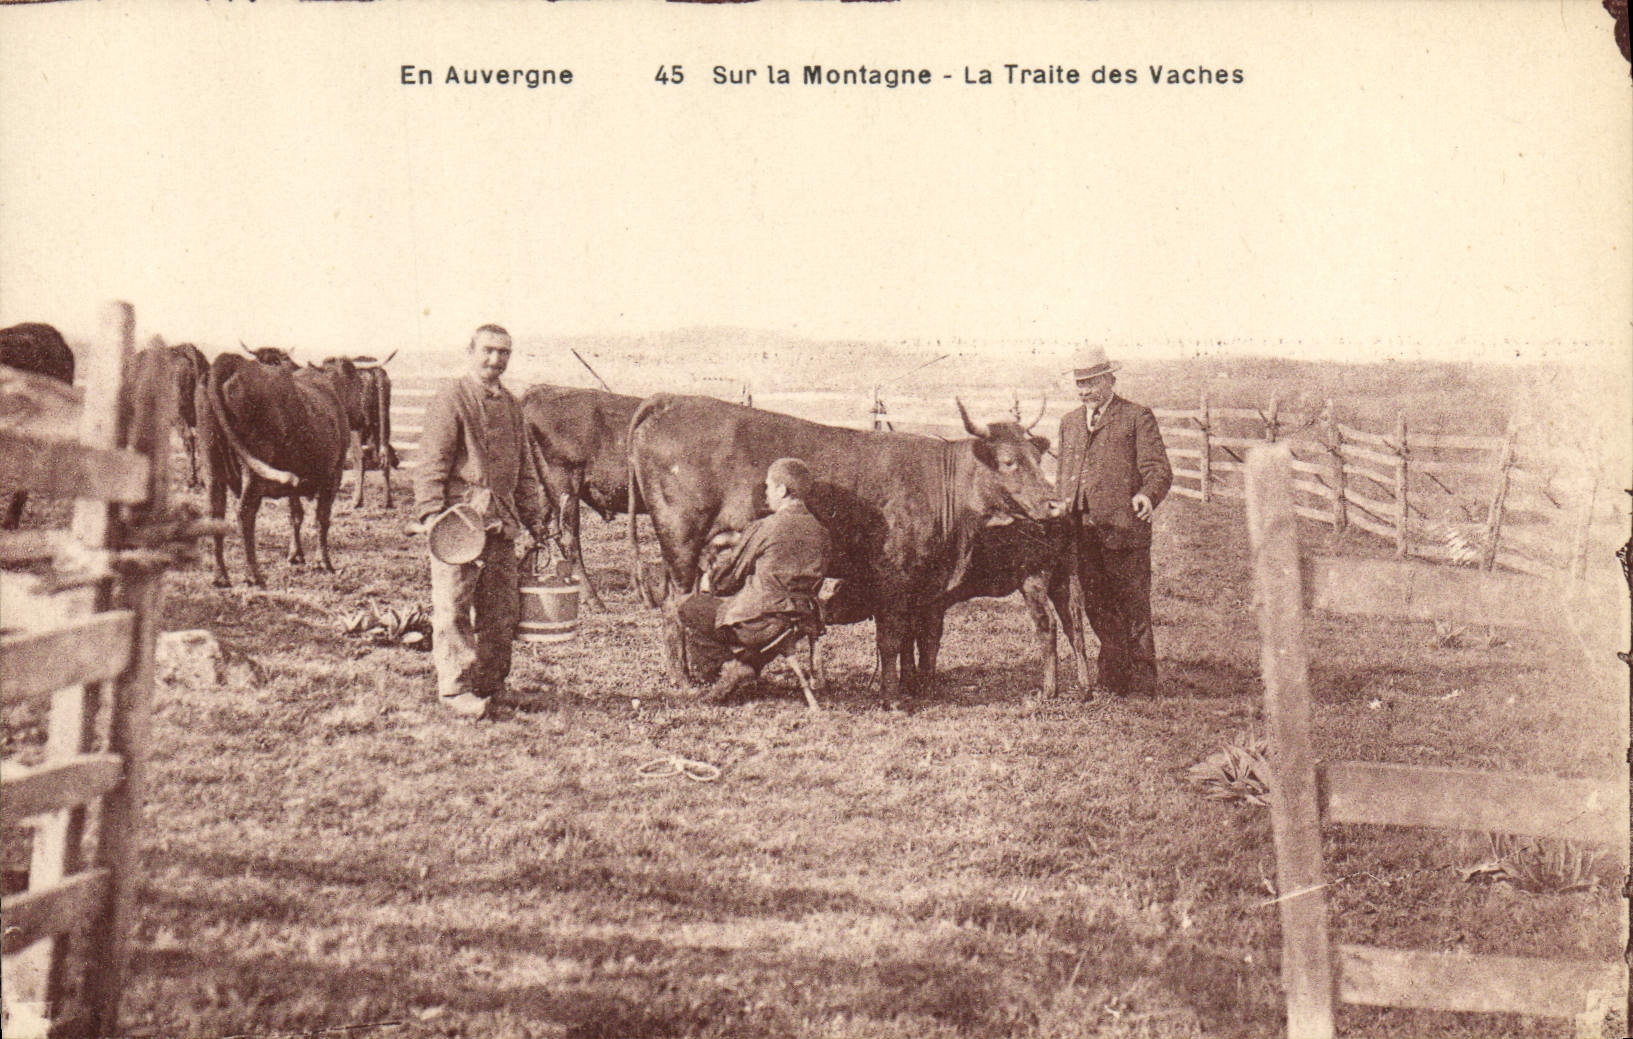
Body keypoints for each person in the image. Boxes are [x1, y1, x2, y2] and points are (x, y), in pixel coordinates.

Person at [414, 324, 552, 718]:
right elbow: (431, 462)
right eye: (488, 351)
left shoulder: (511, 406)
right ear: (470, 350)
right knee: (454, 607)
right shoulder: (452, 399)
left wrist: (535, 520)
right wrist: (430, 514)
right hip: (459, 524)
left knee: (500, 611)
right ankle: (455, 690)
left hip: (501, 525)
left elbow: (525, 470)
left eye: (504, 353)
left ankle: (492, 684)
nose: (496, 360)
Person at [1056, 345, 1172, 697]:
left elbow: (1159, 470)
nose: (1084, 390)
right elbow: (1065, 475)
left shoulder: (1136, 417)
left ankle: (1141, 684)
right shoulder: (1070, 423)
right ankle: (1113, 674)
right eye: (1080, 383)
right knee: (1096, 604)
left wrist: (1146, 496)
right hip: (1082, 534)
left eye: (1091, 382)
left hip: (1125, 531)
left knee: (1133, 605)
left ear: (1109, 380)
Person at [672, 457, 831, 703]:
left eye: (768, 486)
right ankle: (747, 666)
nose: (766, 493)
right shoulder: (821, 532)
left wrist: (709, 576)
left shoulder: (766, 527)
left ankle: (725, 671)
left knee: (690, 608)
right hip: (800, 621)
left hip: (762, 624)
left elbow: (728, 579)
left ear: (782, 490)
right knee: (749, 609)